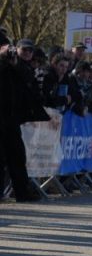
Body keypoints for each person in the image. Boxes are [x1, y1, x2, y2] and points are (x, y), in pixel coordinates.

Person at [0, 30, 49, 202]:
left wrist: (14, 62)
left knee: (17, 156)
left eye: (30, 51)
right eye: (24, 50)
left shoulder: (20, 64)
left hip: (11, 117)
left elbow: (28, 78)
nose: (27, 53)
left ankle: (22, 192)